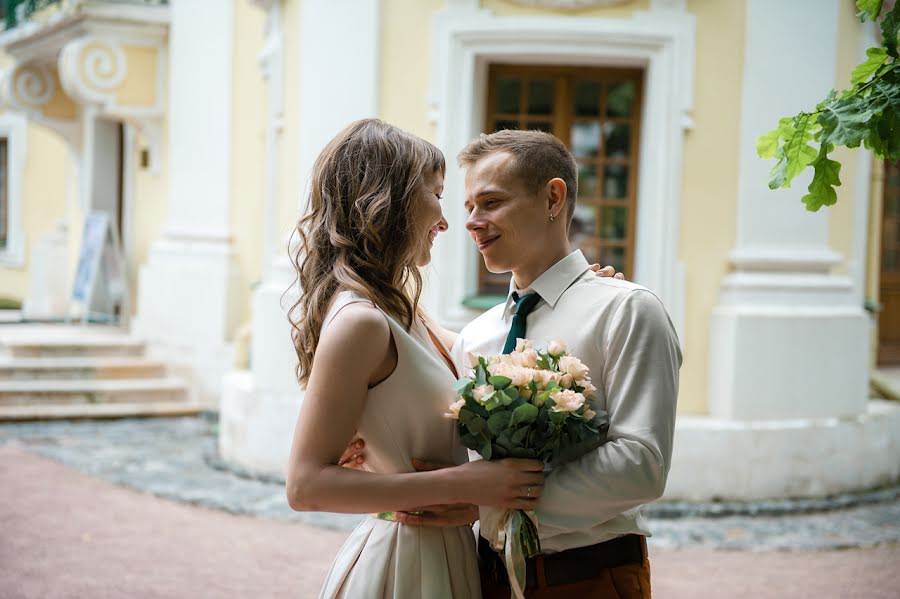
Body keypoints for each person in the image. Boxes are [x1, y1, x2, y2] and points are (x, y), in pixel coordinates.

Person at [443, 129, 682, 598]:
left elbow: (643, 463)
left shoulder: (627, 310)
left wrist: (509, 497)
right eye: (469, 207)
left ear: (553, 197)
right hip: (484, 576)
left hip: (589, 576)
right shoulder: (476, 335)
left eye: (490, 202)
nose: (473, 221)